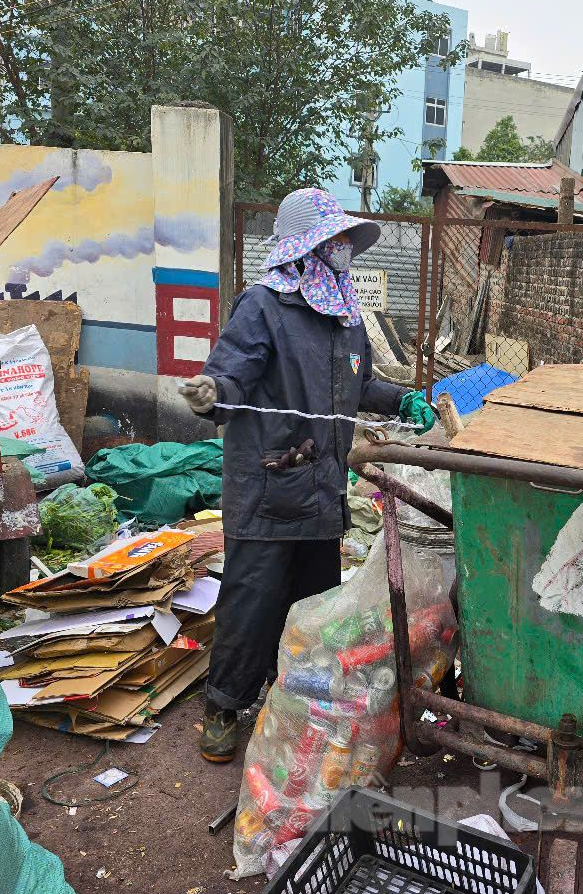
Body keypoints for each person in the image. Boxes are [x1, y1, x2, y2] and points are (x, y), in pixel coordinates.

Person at [179, 187, 435, 762]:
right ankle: (222, 705)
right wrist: (212, 392)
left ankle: (292, 699)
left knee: (315, 608)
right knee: (252, 602)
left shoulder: (344, 315)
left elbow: (359, 384)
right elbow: (233, 375)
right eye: (334, 237)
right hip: (268, 487)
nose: (344, 246)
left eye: (345, 237)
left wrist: (399, 400)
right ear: (305, 246)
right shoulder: (264, 307)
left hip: (322, 492)